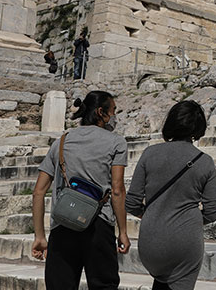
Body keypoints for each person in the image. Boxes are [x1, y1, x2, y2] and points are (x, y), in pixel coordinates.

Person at [31, 91, 130, 290]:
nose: (114, 116)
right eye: (113, 111)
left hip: (63, 225)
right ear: (102, 112)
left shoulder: (62, 141)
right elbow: (117, 190)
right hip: (99, 226)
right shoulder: (116, 142)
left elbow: (38, 192)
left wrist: (39, 236)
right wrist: (123, 232)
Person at [126, 100, 216, 290]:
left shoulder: (149, 154)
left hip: (151, 241)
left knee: (160, 283)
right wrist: (185, 220)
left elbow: (132, 203)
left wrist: (155, 215)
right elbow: (211, 212)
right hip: (185, 240)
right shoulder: (205, 162)